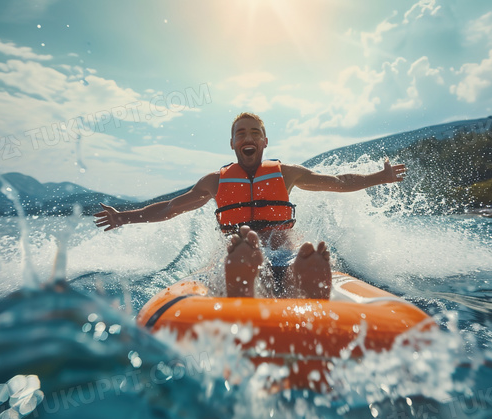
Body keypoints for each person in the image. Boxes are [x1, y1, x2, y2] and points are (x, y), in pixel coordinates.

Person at [94, 112, 405, 299]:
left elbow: (337, 182)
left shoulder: (286, 173)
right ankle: (258, 281)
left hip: (283, 254)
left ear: (264, 142)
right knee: (241, 252)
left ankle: (290, 281)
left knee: (278, 258)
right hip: (242, 255)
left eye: (255, 132)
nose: (248, 136)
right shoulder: (215, 181)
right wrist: (125, 217)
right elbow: (171, 207)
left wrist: (380, 176)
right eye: (240, 133)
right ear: (232, 144)